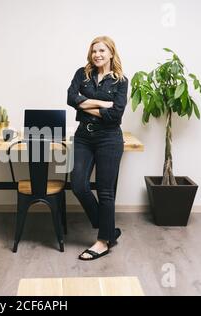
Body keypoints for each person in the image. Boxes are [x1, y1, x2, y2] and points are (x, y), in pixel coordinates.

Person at [67, 36, 128, 261]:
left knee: (105, 191)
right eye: (94, 51)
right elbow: (71, 98)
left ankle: (103, 241)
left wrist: (84, 106)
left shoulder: (121, 81)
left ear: (111, 53)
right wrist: (102, 103)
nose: (97, 55)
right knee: (78, 185)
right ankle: (108, 228)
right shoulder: (81, 74)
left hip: (109, 138)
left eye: (102, 50)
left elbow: (115, 115)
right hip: (83, 136)